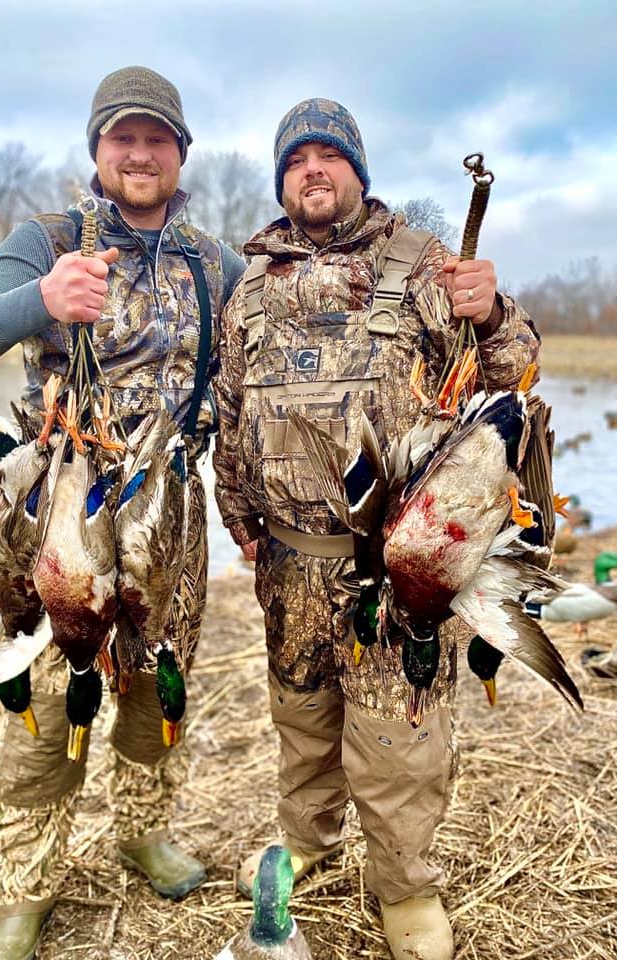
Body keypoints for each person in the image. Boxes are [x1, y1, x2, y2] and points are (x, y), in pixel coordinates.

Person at [0, 66, 245, 960]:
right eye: (122, 137)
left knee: (154, 695)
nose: (139, 152)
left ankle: (141, 831)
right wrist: (40, 300)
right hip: (67, 511)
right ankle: (24, 889)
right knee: (51, 688)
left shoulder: (214, 263)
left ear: (182, 154)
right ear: (97, 149)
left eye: (157, 138)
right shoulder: (50, 238)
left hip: (168, 522)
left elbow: (246, 386)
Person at [213, 98, 540, 960]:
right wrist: (239, 516)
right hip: (290, 561)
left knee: (400, 735)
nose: (311, 170)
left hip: (397, 565)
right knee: (302, 716)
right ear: (282, 179)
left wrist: (493, 311)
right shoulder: (250, 286)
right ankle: (311, 846)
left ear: (358, 170)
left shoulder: (426, 263)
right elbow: (229, 408)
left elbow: (513, 374)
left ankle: (401, 883)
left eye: (329, 155)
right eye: (296, 160)